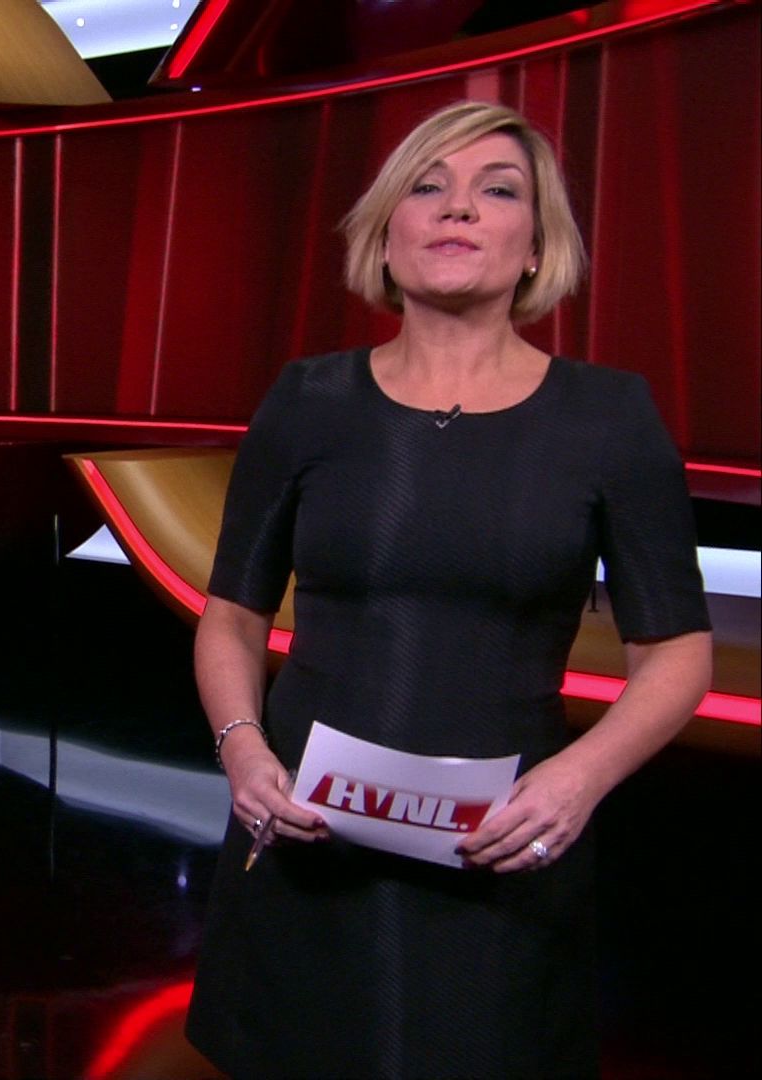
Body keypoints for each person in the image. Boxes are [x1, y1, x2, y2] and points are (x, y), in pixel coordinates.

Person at [183, 100, 714, 1079]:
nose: (458, 207)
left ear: (536, 246)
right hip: (304, 842)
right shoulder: (307, 400)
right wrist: (244, 751)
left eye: (497, 191)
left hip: (502, 856)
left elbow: (678, 651)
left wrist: (578, 781)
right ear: (387, 234)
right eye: (427, 186)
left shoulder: (610, 418)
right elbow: (233, 616)